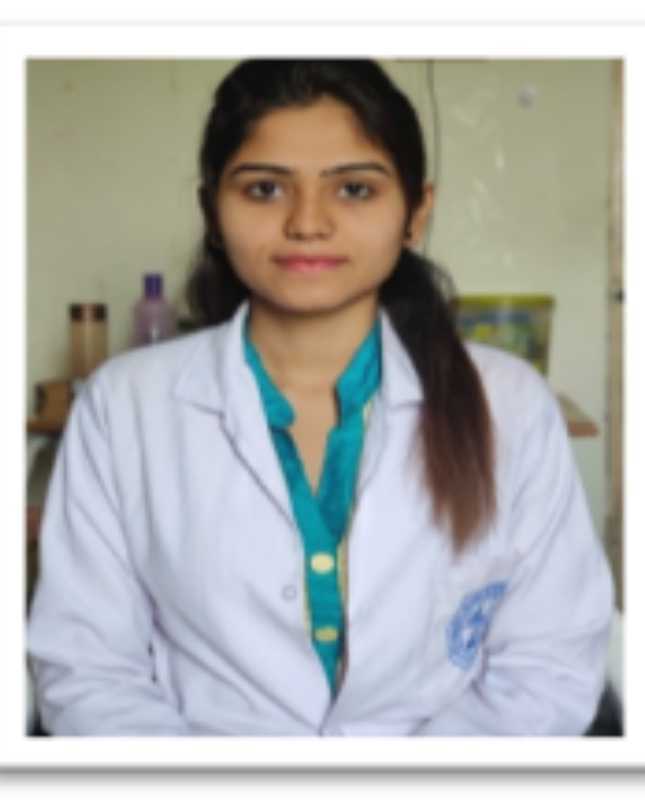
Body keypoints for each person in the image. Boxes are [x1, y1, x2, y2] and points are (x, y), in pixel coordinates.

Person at [27, 59, 614, 736]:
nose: (308, 223)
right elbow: (89, 670)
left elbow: (547, 667)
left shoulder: (509, 405)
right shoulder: (122, 407)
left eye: (355, 189)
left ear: (416, 212)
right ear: (212, 211)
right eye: (265, 189)